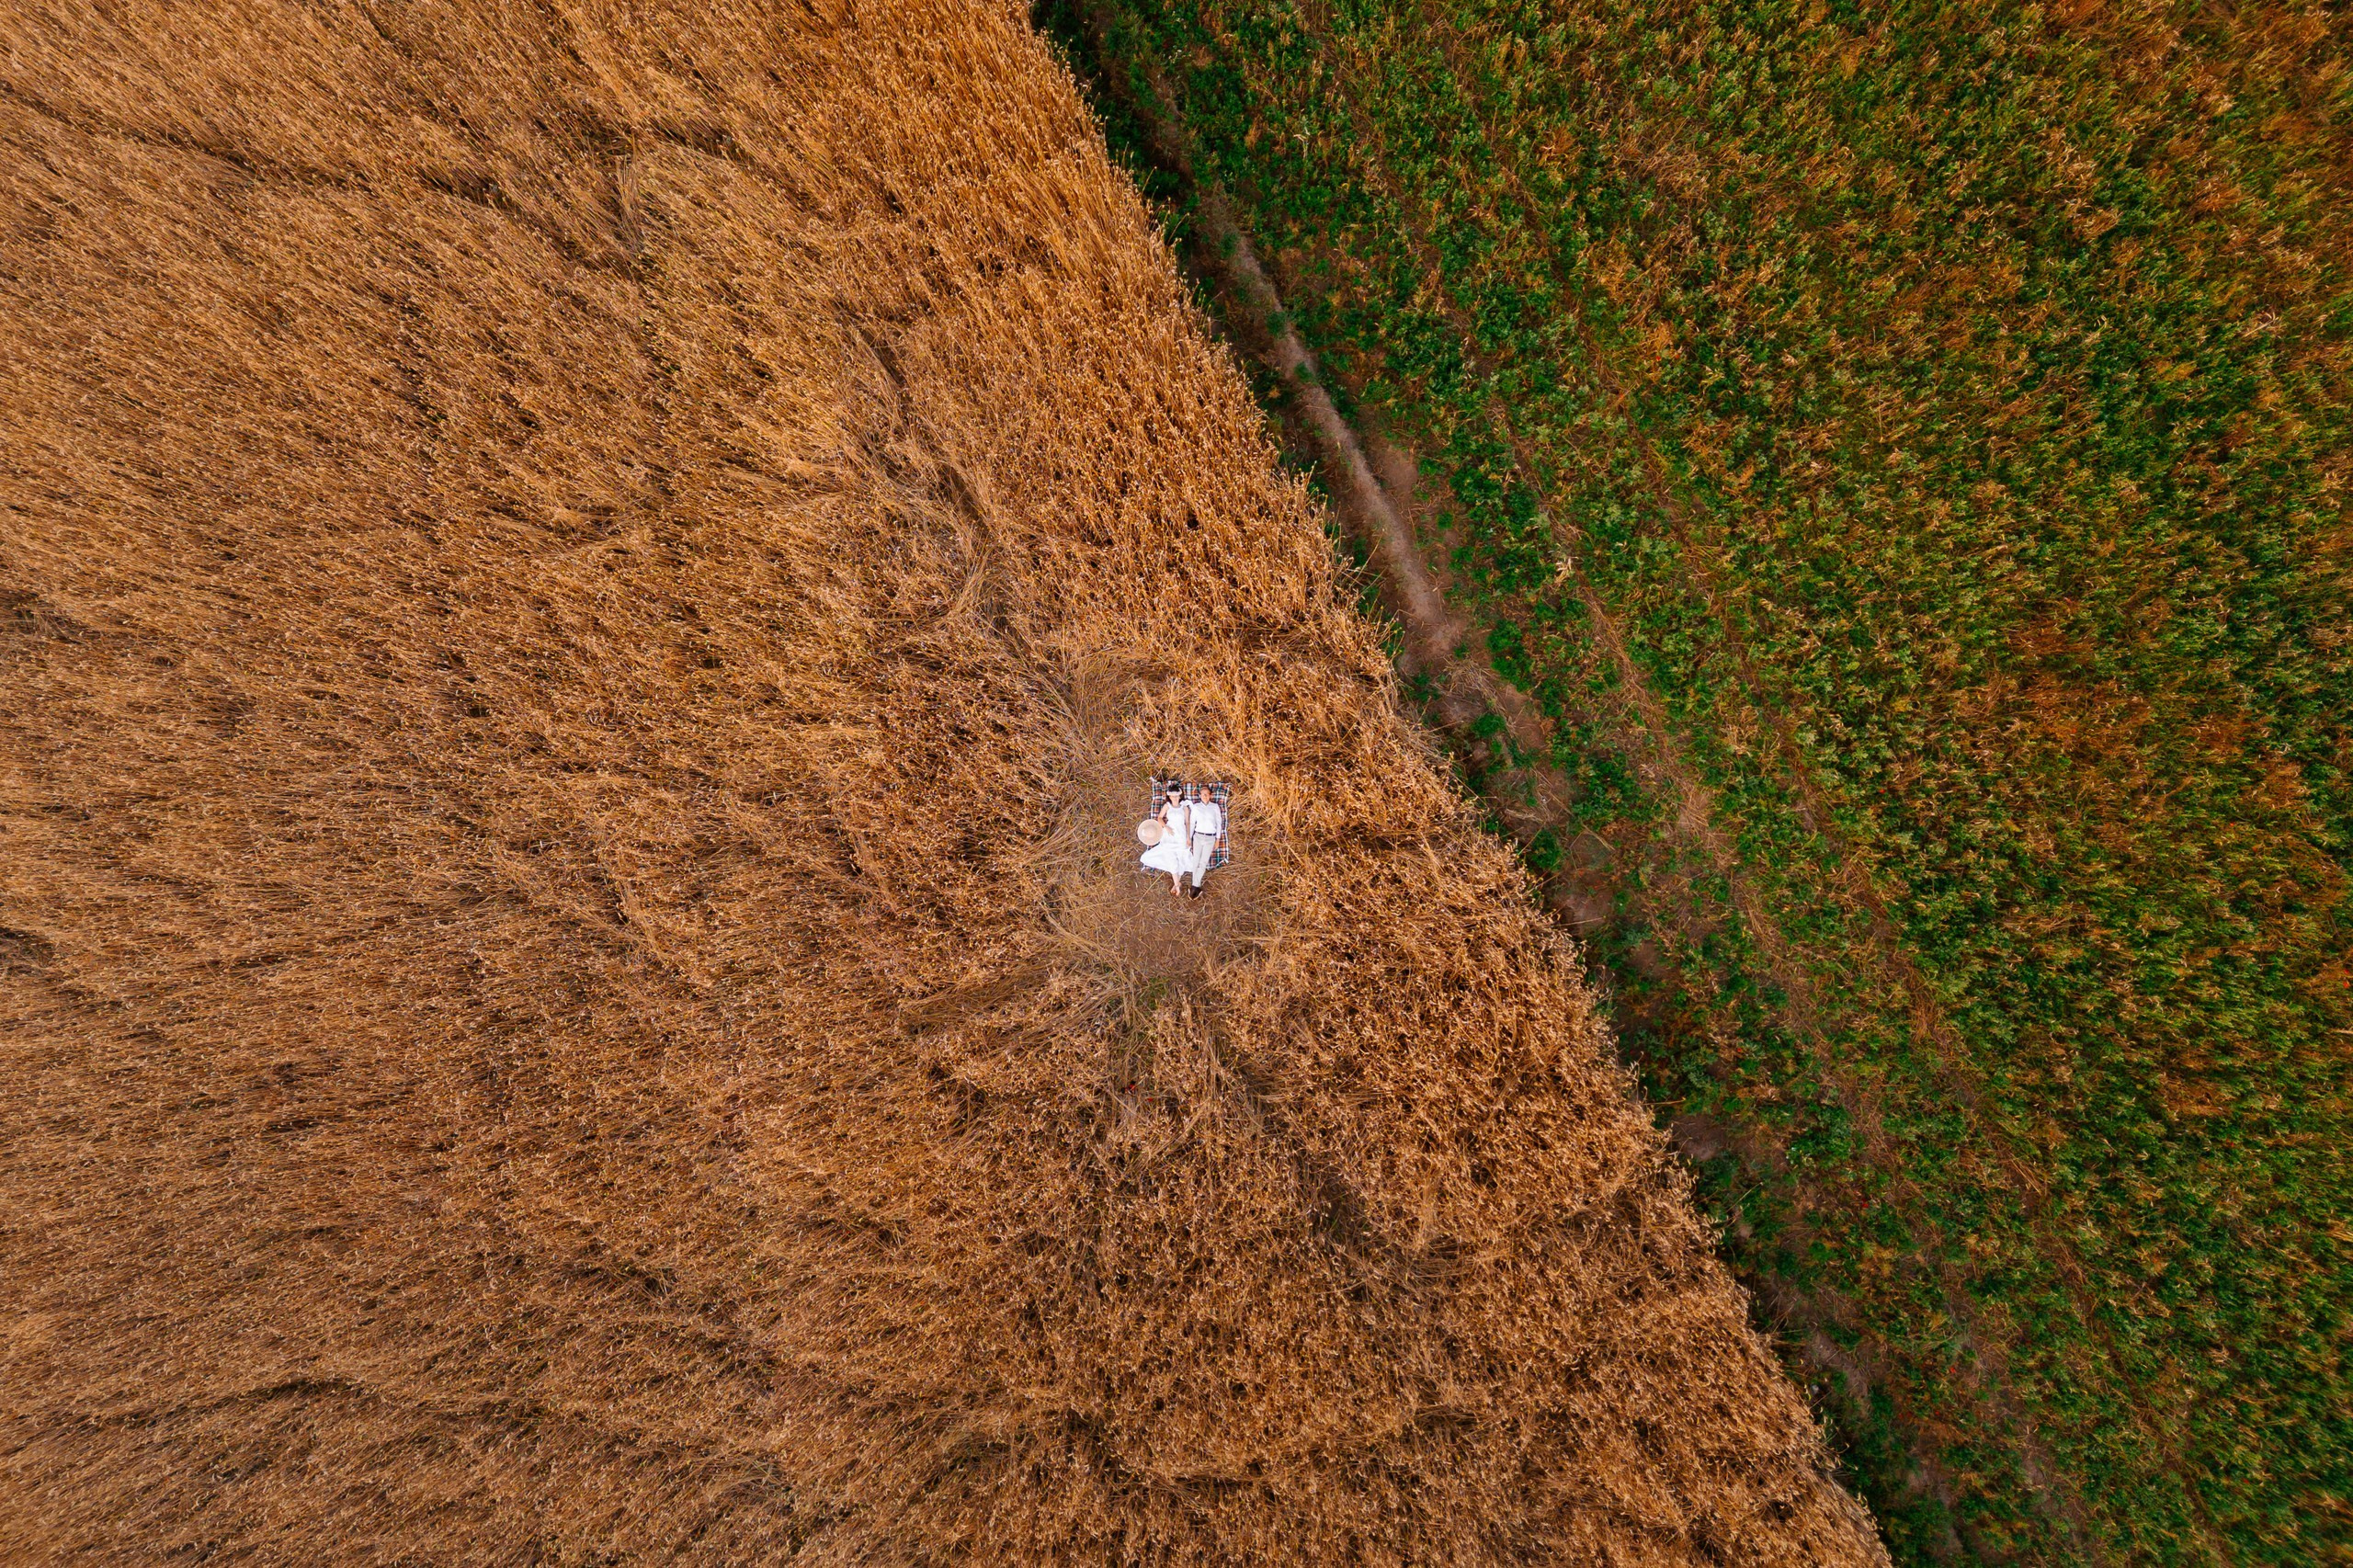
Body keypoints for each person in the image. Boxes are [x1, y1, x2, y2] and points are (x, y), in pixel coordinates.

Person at [1138, 779, 1193, 897]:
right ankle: (1177, 885)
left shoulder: (1185, 808)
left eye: (1176, 796)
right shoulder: (1167, 806)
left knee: (1182, 857)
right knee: (1171, 856)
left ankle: (1177, 884)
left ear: (1180, 796)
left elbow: (1187, 822)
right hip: (1170, 833)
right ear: (1169, 797)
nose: (1174, 798)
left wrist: (1188, 837)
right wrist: (1166, 827)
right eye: (1172, 796)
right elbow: (1159, 818)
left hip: (1181, 833)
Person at [1186, 788, 1222, 898]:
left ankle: (1194, 887)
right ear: (1200, 796)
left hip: (1210, 838)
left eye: (1207, 794)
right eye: (1203, 794)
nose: (1205, 796)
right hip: (1198, 836)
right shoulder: (1196, 807)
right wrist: (1189, 838)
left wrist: (1218, 839)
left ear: (1210, 795)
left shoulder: (1215, 807)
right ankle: (1195, 887)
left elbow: (1219, 823)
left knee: (1203, 862)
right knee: (1195, 861)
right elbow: (1192, 823)